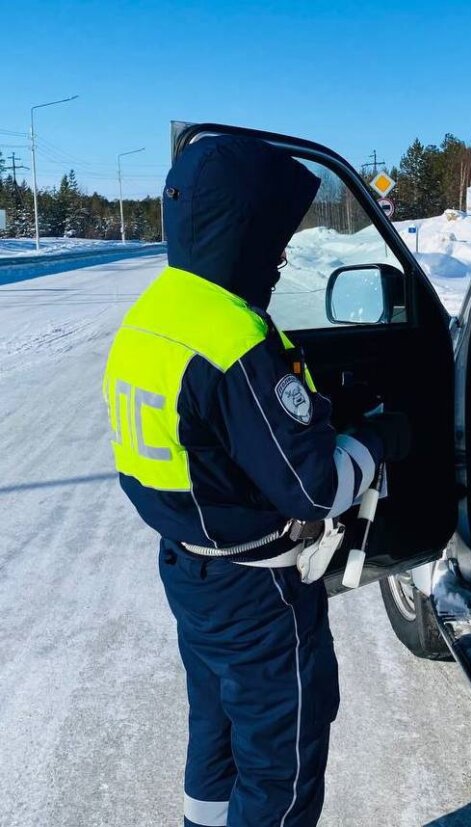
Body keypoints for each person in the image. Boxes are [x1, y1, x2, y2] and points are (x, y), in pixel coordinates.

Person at [102, 135, 408, 826]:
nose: (278, 258)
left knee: (215, 737)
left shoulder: (152, 315)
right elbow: (316, 488)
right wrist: (383, 437)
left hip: (188, 570)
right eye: (274, 241)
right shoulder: (233, 336)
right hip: (258, 593)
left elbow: (212, 438)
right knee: (281, 764)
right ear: (241, 228)